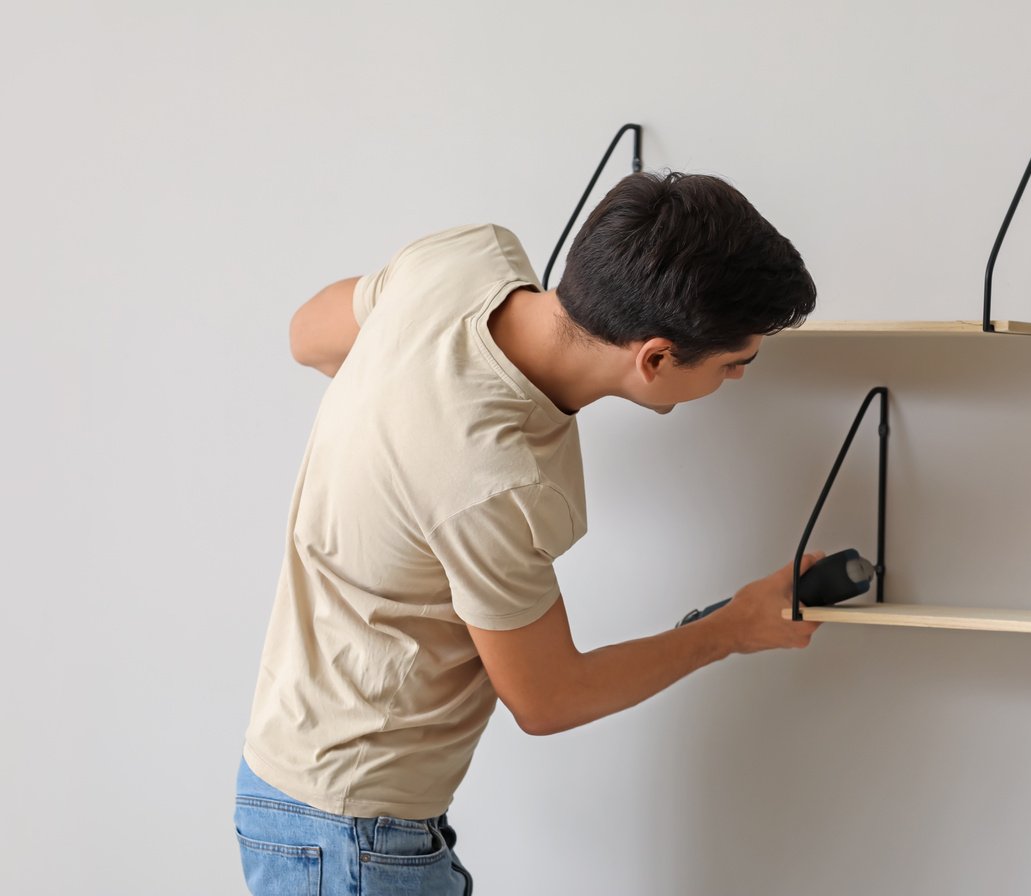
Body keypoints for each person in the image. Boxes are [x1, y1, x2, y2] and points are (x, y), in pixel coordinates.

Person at [234, 170, 826, 895]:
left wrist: (398, 431)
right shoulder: (494, 478)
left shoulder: (462, 260)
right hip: (353, 827)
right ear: (656, 357)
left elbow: (308, 335)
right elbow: (549, 699)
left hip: (309, 792)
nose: (736, 381)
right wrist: (731, 628)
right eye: (736, 364)